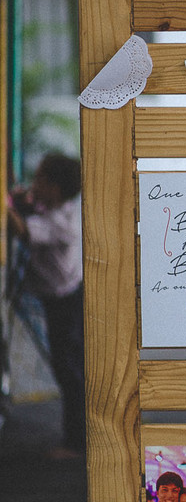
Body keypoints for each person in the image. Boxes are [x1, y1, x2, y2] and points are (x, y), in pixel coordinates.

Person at [6, 154, 84, 457]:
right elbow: (26, 206)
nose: (34, 184)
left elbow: (22, 228)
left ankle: (76, 443)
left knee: (69, 370)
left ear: (55, 188)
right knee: (69, 367)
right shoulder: (49, 206)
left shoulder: (61, 222)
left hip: (65, 301)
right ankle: (77, 437)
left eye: (40, 179)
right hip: (59, 298)